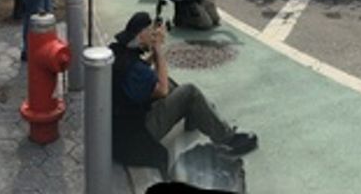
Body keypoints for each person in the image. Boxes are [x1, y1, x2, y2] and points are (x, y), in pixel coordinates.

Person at [110, 12, 257, 156]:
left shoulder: (121, 53)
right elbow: (162, 90)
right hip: (138, 136)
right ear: (141, 35)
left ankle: (196, 113)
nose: (153, 34)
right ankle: (226, 138)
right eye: (150, 31)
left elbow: (142, 71)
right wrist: (158, 49)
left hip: (123, 125)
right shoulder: (134, 68)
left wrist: (154, 51)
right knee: (189, 92)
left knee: (167, 81)